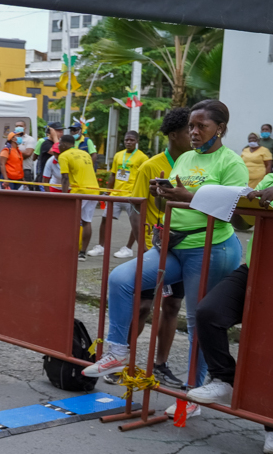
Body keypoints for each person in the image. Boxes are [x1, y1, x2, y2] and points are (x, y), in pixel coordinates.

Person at [83, 100, 248, 416]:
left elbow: (235, 210)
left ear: (221, 128)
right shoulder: (185, 157)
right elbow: (179, 194)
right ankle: (117, 352)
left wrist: (190, 197)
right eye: (191, 127)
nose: (194, 132)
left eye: (202, 126)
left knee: (200, 319)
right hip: (171, 244)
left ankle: (192, 395)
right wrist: (166, 196)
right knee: (120, 280)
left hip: (210, 248)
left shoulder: (232, 163)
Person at [186, 131, 273, 454]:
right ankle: (224, 379)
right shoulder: (268, 183)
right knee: (209, 313)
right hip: (255, 269)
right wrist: (236, 205)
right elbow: (246, 223)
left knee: (269, 349)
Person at [109, 108, 194, 389]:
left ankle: (160, 365)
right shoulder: (151, 165)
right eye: (188, 130)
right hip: (155, 248)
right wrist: (144, 243)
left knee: (172, 306)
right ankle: (121, 360)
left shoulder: (198, 164)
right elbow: (137, 206)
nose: (194, 135)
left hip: (185, 248)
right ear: (173, 134)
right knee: (144, 307)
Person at [91, 131, 149, 260]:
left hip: (131, 195)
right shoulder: (118, 155)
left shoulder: (142, 157)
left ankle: (128, 248)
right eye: (127, 139)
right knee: (105, 219)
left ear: (137, 141)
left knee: (135, 223)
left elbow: (143, 177)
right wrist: (108, 190)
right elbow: (113, 174)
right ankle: (101, 246)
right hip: (116, 194)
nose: (129, 142)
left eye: (132, 140)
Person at [57, 134, 99, 261]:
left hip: (79, 191)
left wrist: (64, 198)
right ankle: (82, 253)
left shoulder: (63, 156)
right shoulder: (84, 153)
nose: (58, 146)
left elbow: (65, 178)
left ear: (64, 144)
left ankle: (68, 250)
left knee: (70, 221)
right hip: (94, 190)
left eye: (59, 144)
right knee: (86, 221)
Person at [0, 126, 26, 190]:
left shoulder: (18, 151)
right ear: (12, 139)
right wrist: (6, 179)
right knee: (9, 199)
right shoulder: (6, 150)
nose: (20, 138)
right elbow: (2, 164)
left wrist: (23, 179)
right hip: (9, 179)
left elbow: (19, 166)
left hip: (18, 180)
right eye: (18, 136)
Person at [13, 121, 37, 190]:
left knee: (27, 191)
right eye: (17, 126)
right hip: (13, 170)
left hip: (25, 169)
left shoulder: (30, 139)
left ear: (25, 127)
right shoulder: (12, 139)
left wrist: (14, 153)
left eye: (20, 126)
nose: (18, 127)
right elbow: (7, 153)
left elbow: (28, 153)